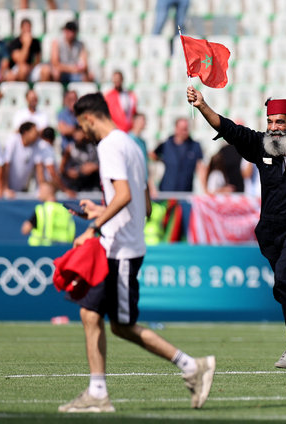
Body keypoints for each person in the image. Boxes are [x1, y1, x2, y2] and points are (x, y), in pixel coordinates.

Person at [58, 93, 215, 413]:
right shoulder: (133, 145)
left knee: (116, 322)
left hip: (120, 250)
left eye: (80, 125)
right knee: (100, 318)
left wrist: (95, 226)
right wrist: (101, 211)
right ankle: (101, 391)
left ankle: (188, 367)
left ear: (89, 118)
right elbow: (141, 205)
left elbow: (125, 195)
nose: (81, 132)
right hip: (122, 245)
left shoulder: (109, 147)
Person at [187, 86, 286, 375]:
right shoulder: (262, 144)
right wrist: (202, 105)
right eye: (270, 122)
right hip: (272, 230)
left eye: (280, 122)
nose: (273, 128)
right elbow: (229, 129)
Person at [150, 118, 205, 192]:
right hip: (166, 190)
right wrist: (162, 160)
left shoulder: (195, 145)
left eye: (186, 129)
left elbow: (200, 167)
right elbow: (152, 155)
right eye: (183, 129)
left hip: (185, 191)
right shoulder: (166, 144)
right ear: (176, 129)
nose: (185, 132)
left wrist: (205, 188)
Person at [21, 181, 75, 246]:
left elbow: (25, 230)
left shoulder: (41, 210)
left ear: (47, 192)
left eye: (41, 190)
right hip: (63, 248)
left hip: (42, 249)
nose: (39, 194)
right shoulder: (65, 210)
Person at [1, 121, 44, 197]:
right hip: (9, 190)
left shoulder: (36, 144)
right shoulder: (13, 140)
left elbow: (39, 168)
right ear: (26, 132)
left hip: (22, 190)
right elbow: (6, 164)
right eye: (35, 132)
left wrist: (42, 189)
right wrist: (5, 188)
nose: (37, 135)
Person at [8, 18, 51, 82]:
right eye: (25, 27)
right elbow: (20, 61)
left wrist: (31, 66)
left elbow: (37, 59)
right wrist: (26, 45)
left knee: (46, 70)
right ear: (21, 28)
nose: (27, 29)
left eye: (29, 27)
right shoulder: (15, 42)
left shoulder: (35, 42)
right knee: (23, 69)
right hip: (18, 68)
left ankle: (40, 90)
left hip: (32, 68)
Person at [60, 125, 100, 192]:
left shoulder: (94, 147)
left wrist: (94, 167)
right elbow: (62, 168)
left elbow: (103, 165)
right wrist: (69, 173)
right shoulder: (70, 148)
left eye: (80, 133)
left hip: (93, 184)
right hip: (77, 185)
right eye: (76, 133)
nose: (78, 136)